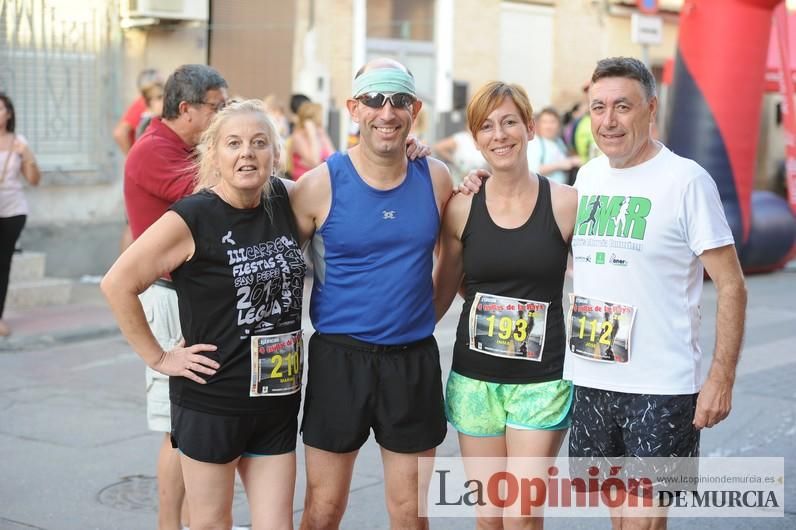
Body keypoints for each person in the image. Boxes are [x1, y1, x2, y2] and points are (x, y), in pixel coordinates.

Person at [103, 99, 305, 530]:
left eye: (259, 143)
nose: (247, 153)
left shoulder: (287, 200)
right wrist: (159, 358)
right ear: (213, 153)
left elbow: (357, 171)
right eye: (233, 143)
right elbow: (118, 283)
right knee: (212, 524)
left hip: (277, 402)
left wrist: (414, 148)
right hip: (213, 402)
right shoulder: (193, 216)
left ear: (275, 153)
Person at [565, 57, 746, 527]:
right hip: (592, 376)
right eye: (598, 107)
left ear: (651, 108)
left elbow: (731, 284)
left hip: (662, 385)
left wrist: (720, 378)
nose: (608, 121)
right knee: (618, 513)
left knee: (643, 517)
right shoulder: (586, 179)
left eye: (622, 106)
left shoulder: (686, 181)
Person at [291, 57, 453, 530]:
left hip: (412, 361)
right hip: (339, 359)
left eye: (399, 100)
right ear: (353, 108)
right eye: (374, 100)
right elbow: (272, 265)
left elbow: (456, 255)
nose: (387, 111)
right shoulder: (318, 185)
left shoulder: (436, 177)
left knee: (409, 512)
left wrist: (424, 313)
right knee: (324, 508)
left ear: (415, 109)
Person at [433, 82, 577, 528]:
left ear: (530, 128)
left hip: (542, 384)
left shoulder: (567, 204)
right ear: (476, 139)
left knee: (521, 515)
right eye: (487, 126)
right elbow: (448, 288)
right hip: (475, 382)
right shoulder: (460, 207)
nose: (500, 134)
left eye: (510, 121)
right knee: (490, 517)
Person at [122, 63, 229, 530]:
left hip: (190, 296)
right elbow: (215, 194)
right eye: (218, 108)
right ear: (186, 109)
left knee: (193, 426)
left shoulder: (181, 146)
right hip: (167, 296)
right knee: (178, 429)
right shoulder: (153, 152)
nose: (224, 116)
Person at [0, 92, 41, 337]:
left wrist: (27, 155)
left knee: (3, 264)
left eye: (0, 108)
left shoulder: (18, 142)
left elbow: (34, 180)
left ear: (9, 113)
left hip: (13, 211)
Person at [114, 68, 164, 254]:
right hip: (141, 177)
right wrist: (132, 158)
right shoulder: (146, 115)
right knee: (133, 224)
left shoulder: (149, 115)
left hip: (140, 175)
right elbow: (119, 132)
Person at [526, 107, 581, 184]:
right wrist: (561, 165)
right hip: (546, 193)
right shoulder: (536, 142)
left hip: (561, 191)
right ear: (538, 124)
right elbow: (532, 171)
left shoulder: (558, 141)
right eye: (545, 122)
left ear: (559, 124)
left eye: (552, 122)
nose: (549, 126)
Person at [289, 101, 336, 180]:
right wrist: (312, 134)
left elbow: (334, 160)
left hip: (322, 179)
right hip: (305, 181)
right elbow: (315, 162)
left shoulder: (320, 133)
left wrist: (322, 136)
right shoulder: (298, 136)